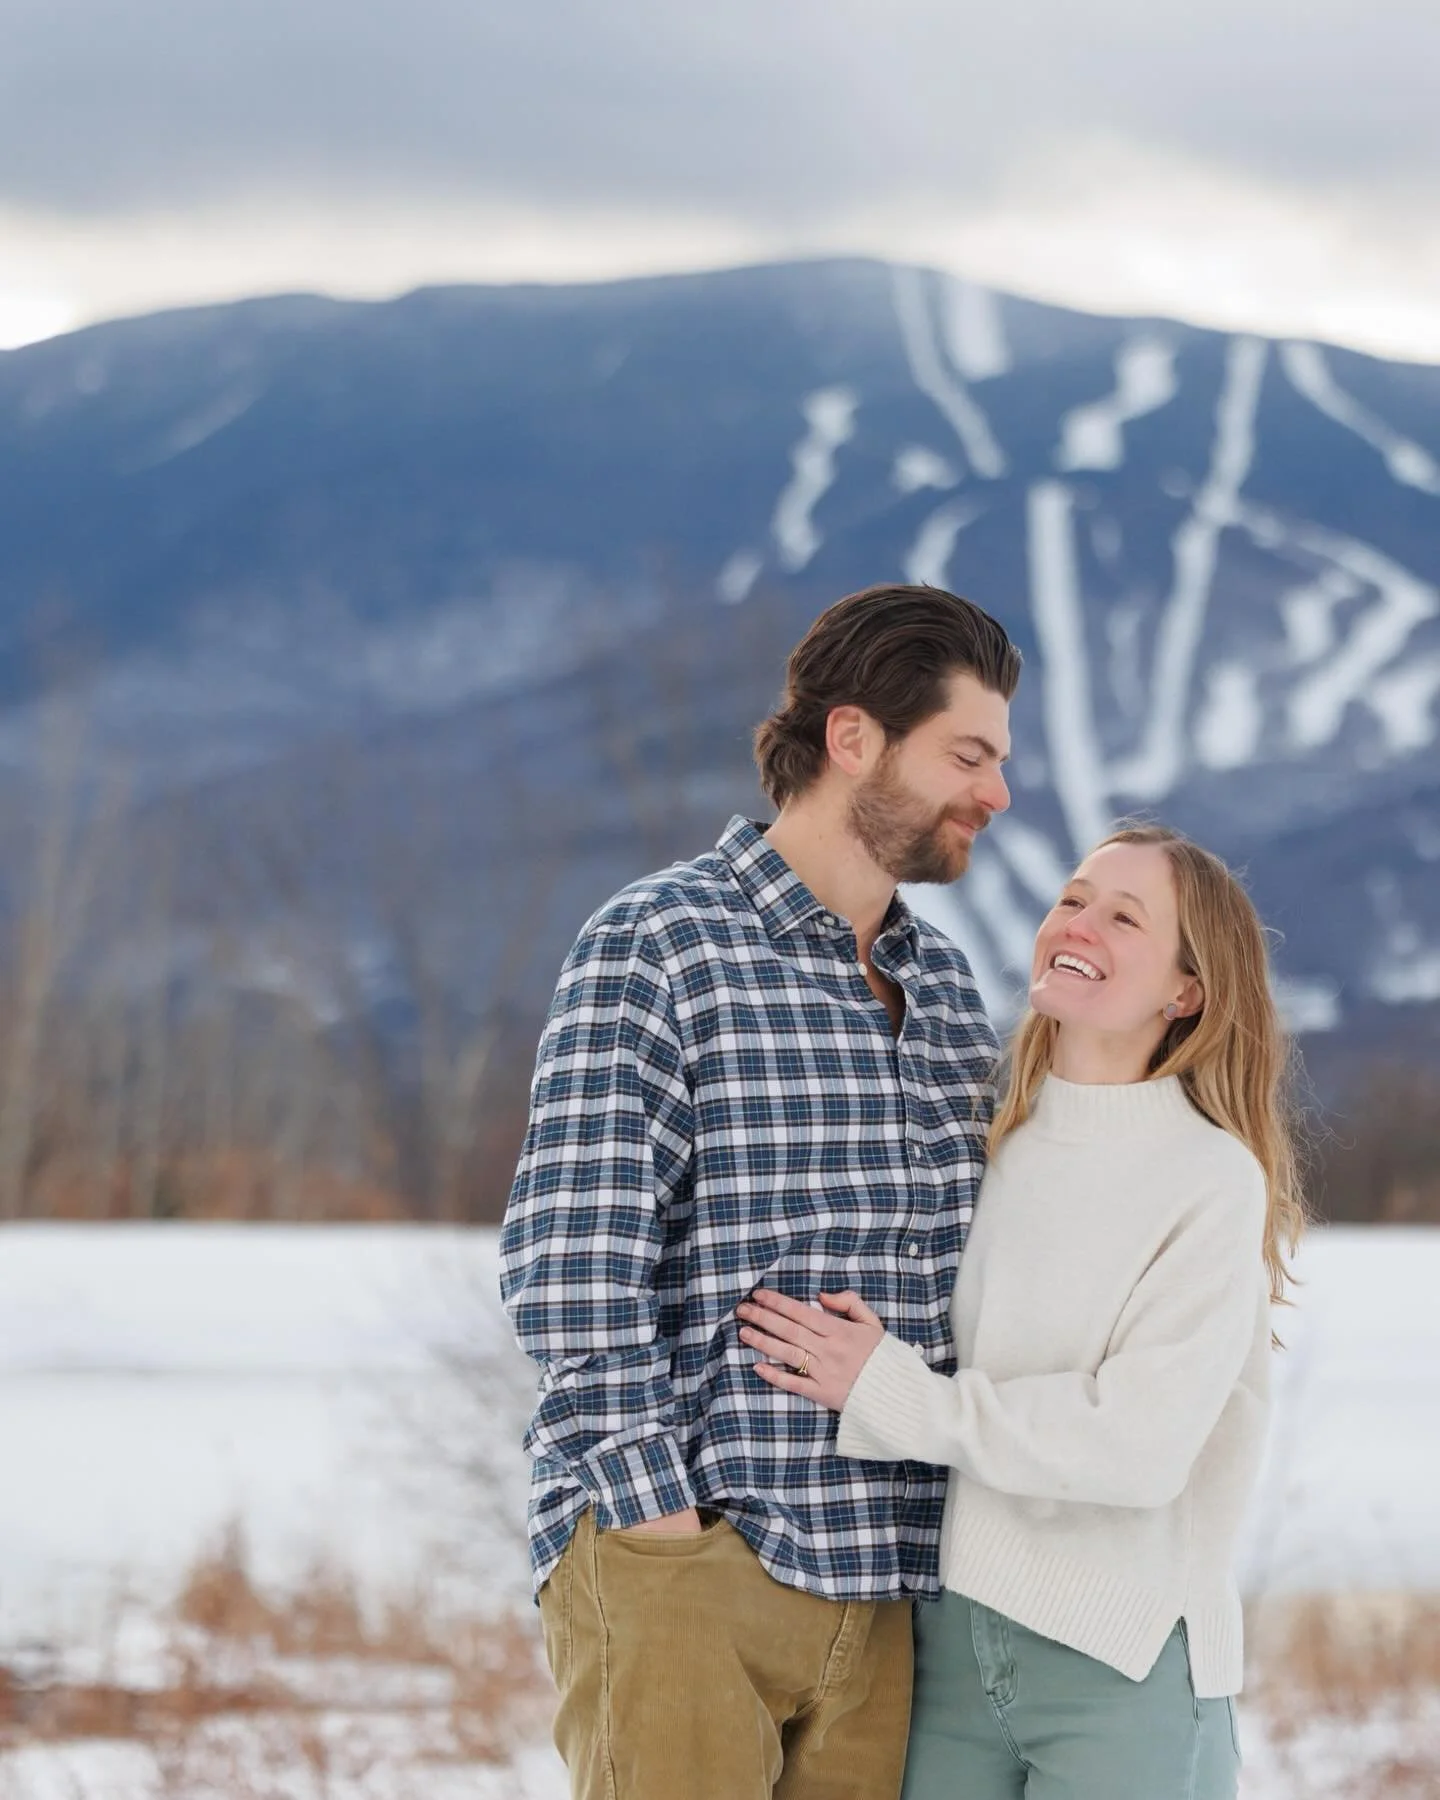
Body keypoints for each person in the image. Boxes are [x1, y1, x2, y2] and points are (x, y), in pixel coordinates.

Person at [499, 583, 1021, 1800]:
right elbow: (573, 1267)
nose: (996, 794)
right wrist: (660, 1531)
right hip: (697, 1559)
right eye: (969, 755)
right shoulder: (661, 944)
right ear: (854, 740)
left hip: (889, 1595)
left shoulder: (943, 989)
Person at [740, 824, 1304, 1800]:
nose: (1077, 925)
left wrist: (898, 1397)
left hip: (1123, 1660)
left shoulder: (1210, 1182)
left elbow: (1133, 1448)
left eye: (1125, 917)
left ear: (1186, 991)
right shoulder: (985, 1143)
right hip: (948, 1648)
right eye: (1073, 899)